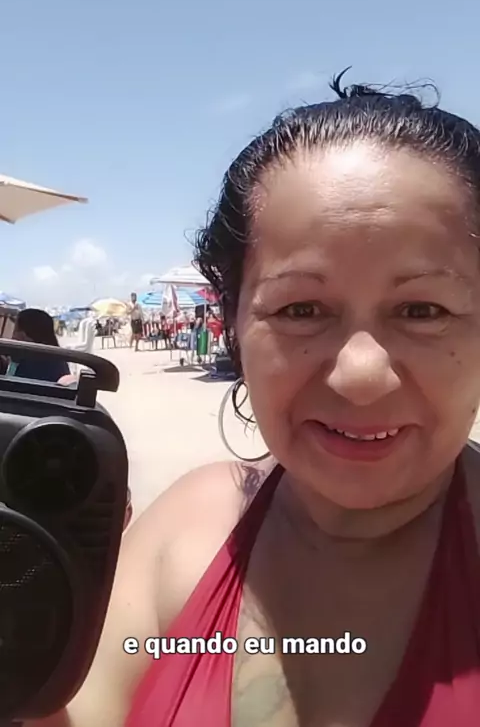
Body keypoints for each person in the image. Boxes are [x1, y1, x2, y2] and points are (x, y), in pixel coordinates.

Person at [29, 75, 480, 727]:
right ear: (235, 326)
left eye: (422, 310)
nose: (360, 375)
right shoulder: (188, 530)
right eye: (301, 309)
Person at [9, 308, 70, 383]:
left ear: (26, 335)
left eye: (15, 331)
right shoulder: (57, 361)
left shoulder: (30, 366)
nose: (12, 337)